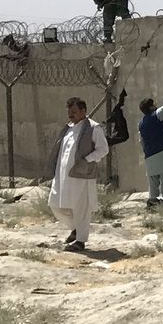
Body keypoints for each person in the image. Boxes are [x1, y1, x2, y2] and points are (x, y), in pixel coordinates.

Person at [50, 96, 108, 251]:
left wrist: (87, 160)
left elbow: (103, 149)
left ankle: (81, 241)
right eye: (69, 112)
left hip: (82, 175)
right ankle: (76, 228)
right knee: (55, 204)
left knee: (81, 208)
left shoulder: (93, 128)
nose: (71, 115)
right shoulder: (68, 129)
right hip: (63, 176)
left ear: (83, 111)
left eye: (74, 112)